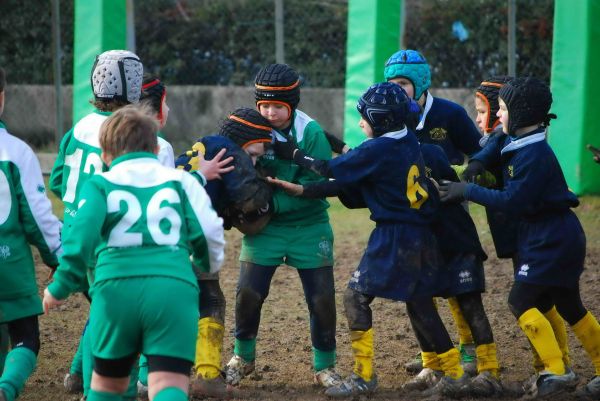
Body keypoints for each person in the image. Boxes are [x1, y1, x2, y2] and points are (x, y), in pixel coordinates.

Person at [269, 82, 469, 398]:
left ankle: (363, 376)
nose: (361, 123)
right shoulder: (407, 140)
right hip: (420, 233)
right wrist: (305, 191)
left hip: (395, 236)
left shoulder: (378, 149)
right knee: (419, 304)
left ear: (379, 119)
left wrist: (291, 152)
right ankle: (455, 374)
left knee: (354, 298)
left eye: (364, 117)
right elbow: (354, 180)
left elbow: (326, 168)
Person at [43, 105, 226, 401]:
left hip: (115, 293)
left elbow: (80, 241)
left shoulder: (99, 184)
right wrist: (207, 262)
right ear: (155, 148)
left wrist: (60, 287)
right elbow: (208, 232)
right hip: (173, 290)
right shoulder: (182, 182)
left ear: (105, 154)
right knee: (168, 385)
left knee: (108, 388)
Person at [439, 77, 600, 399]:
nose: (499, 116)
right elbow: (497, 141)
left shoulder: (534, 156)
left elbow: (513, 201)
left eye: (502, 108)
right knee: (568, 305)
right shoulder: (520, 141)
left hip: (552, 238)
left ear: (522, 114)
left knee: (519, 301)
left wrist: (467, 189)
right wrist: (478, 164)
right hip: (551, 235)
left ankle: (556, 371)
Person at [224, 63, 342, 390]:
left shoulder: (311, 134)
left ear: (292, 105)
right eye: (264, 106)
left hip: (309, 224)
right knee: (248, 292)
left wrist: (271, 203)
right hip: (267, 229)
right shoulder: (249, 128)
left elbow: (316, 186)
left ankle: (325, 366)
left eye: (278, 106)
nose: (270, 113)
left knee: (321, 298)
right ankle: (243, 357)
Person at [135, 74, 235, 399]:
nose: (170, 108)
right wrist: (200, 176)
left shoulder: (100, 137)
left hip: (121, 249)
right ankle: (201, 374)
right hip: (166, 248)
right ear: (155, 111)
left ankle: (85, 375)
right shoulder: (159, 146)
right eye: (166, 103)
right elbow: (167, 193)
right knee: (208, 294)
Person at [384, 49, 483, 374]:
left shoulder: (451, 114)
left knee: (457, 283)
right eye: (391, 83)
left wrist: (460, 177)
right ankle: (435, 353)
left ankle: (468, 349)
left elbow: (479, 154)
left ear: (421, 82)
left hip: (449, 211)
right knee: (419, 283)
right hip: (413, 215)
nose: (397, 90)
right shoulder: (391, 113)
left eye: (403, 83)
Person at [175, 107, 273, 398]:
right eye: (253, 154)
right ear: (243, 140)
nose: (253, 161)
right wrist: (267, 198)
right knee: (210, 300)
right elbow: (253, 202)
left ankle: (93, 373)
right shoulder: (229, 150)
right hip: (188, 237)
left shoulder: (202, 147)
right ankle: (206, 374)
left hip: (163, 233)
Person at [0, 66, 63, 401]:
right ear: (1, 98)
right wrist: (57, 255)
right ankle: (6, 389)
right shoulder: (15, 151)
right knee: (25, 338)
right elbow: (37, 216)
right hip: (7, 264)